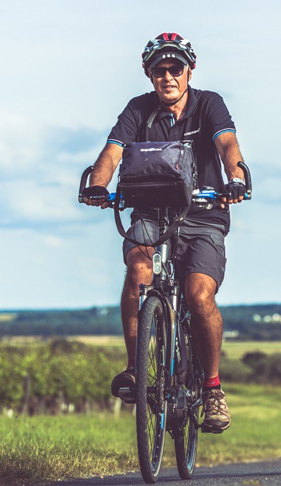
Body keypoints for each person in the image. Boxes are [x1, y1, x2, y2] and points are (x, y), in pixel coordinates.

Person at [81, 33, 247, 433]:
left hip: (204, 214)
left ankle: (211, 390)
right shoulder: (138, 109)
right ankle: (137, 369)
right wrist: (98, 184)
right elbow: (113, 151)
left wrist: (237, 176)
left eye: (176, 68)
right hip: (151, 213)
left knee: (198, 293)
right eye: (160, 69)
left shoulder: (209, 103)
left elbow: (227, 144)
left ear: (190, 70)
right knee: (139, 269)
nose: (168, 76)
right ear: (148, 73)